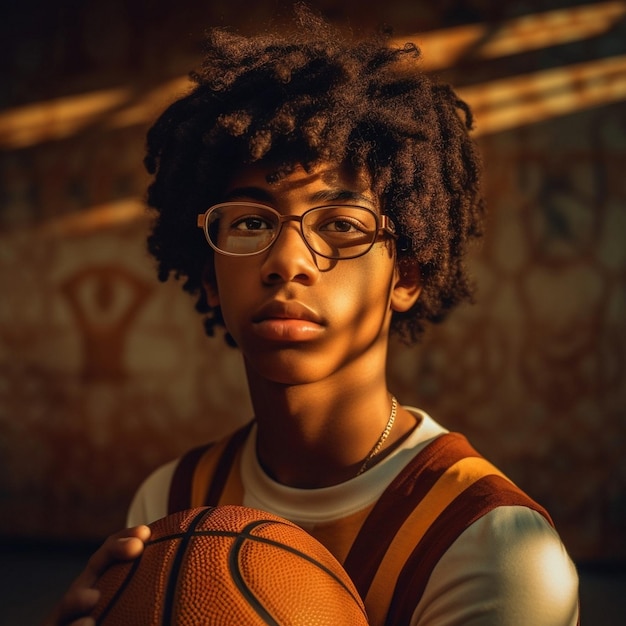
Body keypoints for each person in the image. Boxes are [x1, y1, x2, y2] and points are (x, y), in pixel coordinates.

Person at [47, 4, 579, 625]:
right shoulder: (169, 501)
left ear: (405, 274)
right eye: (249, 222)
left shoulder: (493, 547)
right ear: (209, 274)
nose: (286, 261)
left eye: (341, 225)